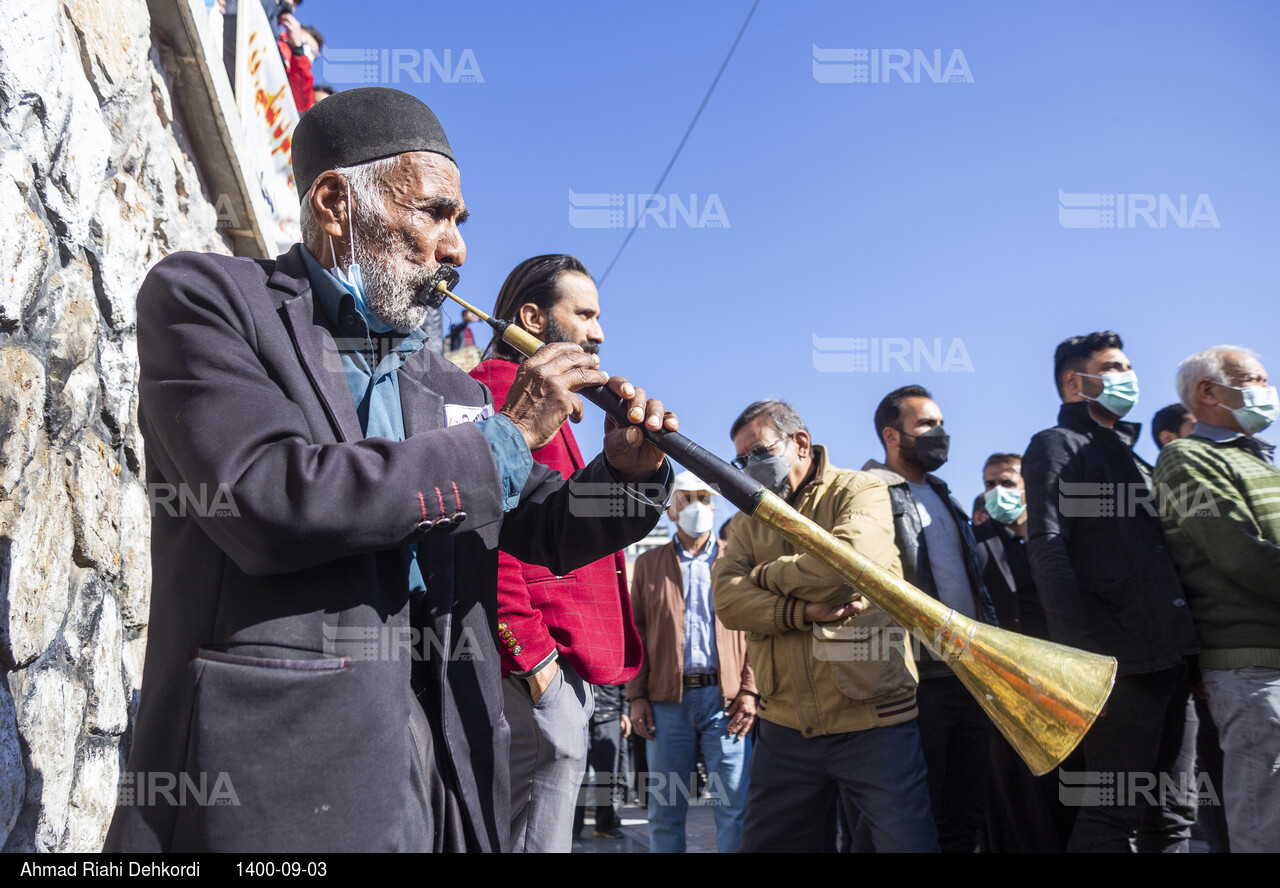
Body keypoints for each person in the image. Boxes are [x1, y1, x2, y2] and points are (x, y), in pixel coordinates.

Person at [104, 87, 676, 853]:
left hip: (446, 757)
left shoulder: (448, 383)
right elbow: (265, 496)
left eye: (459, 223)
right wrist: (505, 438)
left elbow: (537, 518)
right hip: (281, 767)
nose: (457, 250)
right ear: (337, 202)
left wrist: (627, 471)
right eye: (434, 214)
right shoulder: (210, 301)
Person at [469, 255, 645, 853]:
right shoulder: (502, 392)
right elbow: (491, 536)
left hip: (560, 668)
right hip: (536, 670)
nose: (598, 332)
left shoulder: (556, 406)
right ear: (531, 318)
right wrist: (532, 658)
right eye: (585, 314)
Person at [713, 400, 938, 853]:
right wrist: (800, 612)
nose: (748, 467)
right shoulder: (745, 520)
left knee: (903, 843)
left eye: (757, 453)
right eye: (740, 460)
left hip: (874, 720)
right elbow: (727, 601)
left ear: (799, 443)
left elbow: (844, 571)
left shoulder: (861, 490)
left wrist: (763, 575)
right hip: (784, 727)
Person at [1022, 331, 1199, 853]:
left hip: (1170, 660)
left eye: (1128, 367)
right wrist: (1081, 665)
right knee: (1112, 813)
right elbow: (1048, 546)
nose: (1128, 377)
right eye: (1114, 367)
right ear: (1076, 382)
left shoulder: (1133, 457)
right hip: (1116, 668)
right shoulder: (1057, 445)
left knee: (1173, 817)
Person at [1154, 345, 1280, 853]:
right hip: (1252, 669)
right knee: (1266, 822)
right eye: (1254, 379)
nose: (1267, 392)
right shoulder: (1185, 458)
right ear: (1207, 391)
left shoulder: (1263, 461)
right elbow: (1239, 554)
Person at [861, 385, 998, 853]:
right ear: (892, 435)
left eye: (940, 423)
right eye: (926, 425)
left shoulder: (945, 495)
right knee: (918, 815)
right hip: (918, 679)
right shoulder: (868, 493)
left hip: (969, 675)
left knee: (966, 812)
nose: (939, 434)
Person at [628, 471, 755, 853]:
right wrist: (636, 696)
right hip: (668, 705)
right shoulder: (649, 564)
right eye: (686, 498)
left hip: (726, 703)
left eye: (704, 498)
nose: (696, 506)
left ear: (715, 507)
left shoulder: (737, 561)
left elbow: (756, 632)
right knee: (665, 811)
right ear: (670, 510)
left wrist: (750, 690)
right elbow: (636, 634)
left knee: (735, 808)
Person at [973, 453, 1072, 852]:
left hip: (1062, 685)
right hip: (1007, 692)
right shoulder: (976, 543)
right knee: (1017, 805)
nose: (998, 492)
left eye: (1008, 483)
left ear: (1029, 487)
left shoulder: (1059, 540)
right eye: (990, 484)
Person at [573, 682, 631, 840]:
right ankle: (573, 828)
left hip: (609, 713)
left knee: (607, 773)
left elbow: (623, 679)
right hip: (577, 711)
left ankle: (605, 824)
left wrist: (625, 712)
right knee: (577, 774)